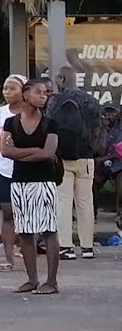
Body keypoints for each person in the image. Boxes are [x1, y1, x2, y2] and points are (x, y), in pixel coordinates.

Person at [2, 78, 61, 295]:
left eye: (46, 93)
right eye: (38, 92)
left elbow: (48, 153)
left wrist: (23, 153)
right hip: (20, 183)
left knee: (49, 230)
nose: (43, 96)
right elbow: (6, 151)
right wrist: (34, 151)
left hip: (45, 182)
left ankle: (51, 281)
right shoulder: (11, 123)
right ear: (26, 94)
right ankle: (32, 279)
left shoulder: (50, 124)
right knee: (25, 232)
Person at [46, 66, 100, 260]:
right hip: (85, 157)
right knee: (86, 202)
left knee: (63, 202)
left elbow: (49, 126)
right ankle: (87, 247)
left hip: (63, 158)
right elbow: (97, 129)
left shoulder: (55, 101)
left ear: (61, 78)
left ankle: (66, 247)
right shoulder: (91, 101)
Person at [0, 74, 27, 272]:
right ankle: (9, 258)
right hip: (4, 170)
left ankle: (28, 255)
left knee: (28, 215)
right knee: (8, 213)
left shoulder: (31, 113)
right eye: (5, 88)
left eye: (12, 88)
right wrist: (16, 146)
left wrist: (7, 143)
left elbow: (34, 141)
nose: (7, 92)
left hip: (28, 169)